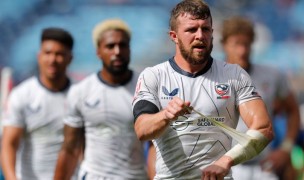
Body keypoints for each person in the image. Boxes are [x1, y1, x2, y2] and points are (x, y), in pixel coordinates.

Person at [132, 0, 274, 179]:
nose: (200, 35)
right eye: (191, 30)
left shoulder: (235, 75)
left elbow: (264, 128)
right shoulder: (153, 76)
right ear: (174, 36)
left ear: (212, 33)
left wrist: (225, 162)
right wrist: (166, 115)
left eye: (205, 29)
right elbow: (141, 130)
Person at [54, 18, 148, 180]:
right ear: (98, 51)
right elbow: (69, 149)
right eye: (110, 46)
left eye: (122, 45)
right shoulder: (81, 92)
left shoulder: (146, 88)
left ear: (130, 49)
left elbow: (156, 146)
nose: (117, 51)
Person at [221, 16, 301, 180]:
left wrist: (286, 148)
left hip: (263, 166)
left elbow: (293, 110)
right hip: (228, 167)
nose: (242, 50)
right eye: (236, 44)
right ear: (224, 45)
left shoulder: (272, 75)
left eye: (246, 44)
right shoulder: (212, 78)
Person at [0, 27, 74, 180]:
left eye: (59, 54)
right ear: (39, 56)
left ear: (69, 58)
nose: (53, 60)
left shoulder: (79, 95)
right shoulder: (22, 95)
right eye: (48, 53)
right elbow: (9, 144)